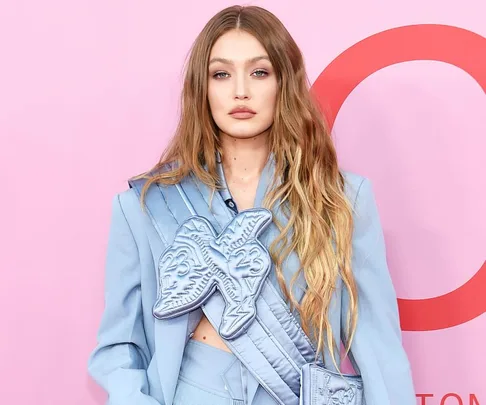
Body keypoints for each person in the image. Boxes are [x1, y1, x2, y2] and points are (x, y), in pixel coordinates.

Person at [87, 5, 416, 405]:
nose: (240, 90)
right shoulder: (143, 206)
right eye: (221, 74)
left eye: (259, 72)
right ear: (202, 88)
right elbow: (118, 348)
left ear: (283, 82)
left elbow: (377, 346)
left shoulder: (341, 197)